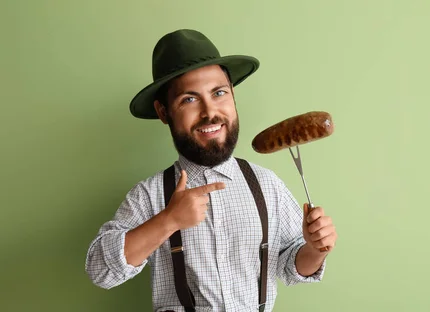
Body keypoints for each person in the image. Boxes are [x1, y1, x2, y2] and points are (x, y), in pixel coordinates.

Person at [84, 29, 338, 312]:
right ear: (163, 112)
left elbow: (291, 265)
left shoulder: (267, 185)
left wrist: (315, 249)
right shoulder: (149, 195)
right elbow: (99, 270)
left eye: (219, 93)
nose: (209, 112)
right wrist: (168, 220)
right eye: (189, 99)